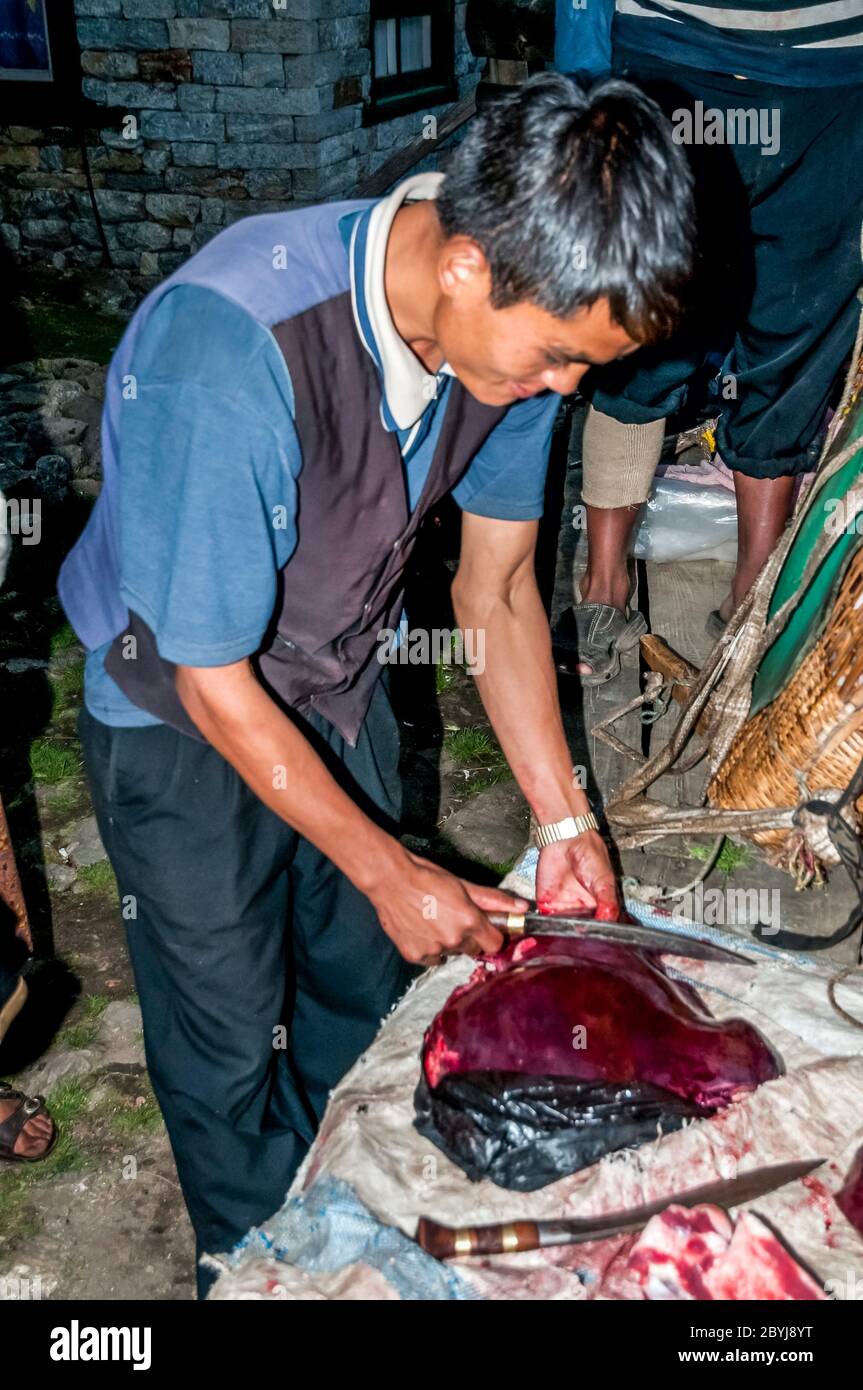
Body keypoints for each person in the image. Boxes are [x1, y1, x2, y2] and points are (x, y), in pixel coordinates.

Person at [58, 73, 694, 1293]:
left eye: (585, 365)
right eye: (560, 356)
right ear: (462, 261)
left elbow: (496, 594)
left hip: (331, 679)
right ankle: (251, 1268)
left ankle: (358, 1217)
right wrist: (384, 861)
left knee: (362, 983)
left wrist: (563, 821)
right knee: (231, 1033)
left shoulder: (507, 348)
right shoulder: (231, 344)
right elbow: (212, 678)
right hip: (176, 711)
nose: (566, 389)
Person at [553, 0, 863, 683]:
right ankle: (603, 584)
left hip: (836, 74)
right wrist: (578, 83)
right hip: (671, 57)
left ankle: (751, 588)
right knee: (642, 324)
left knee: (797, 332)